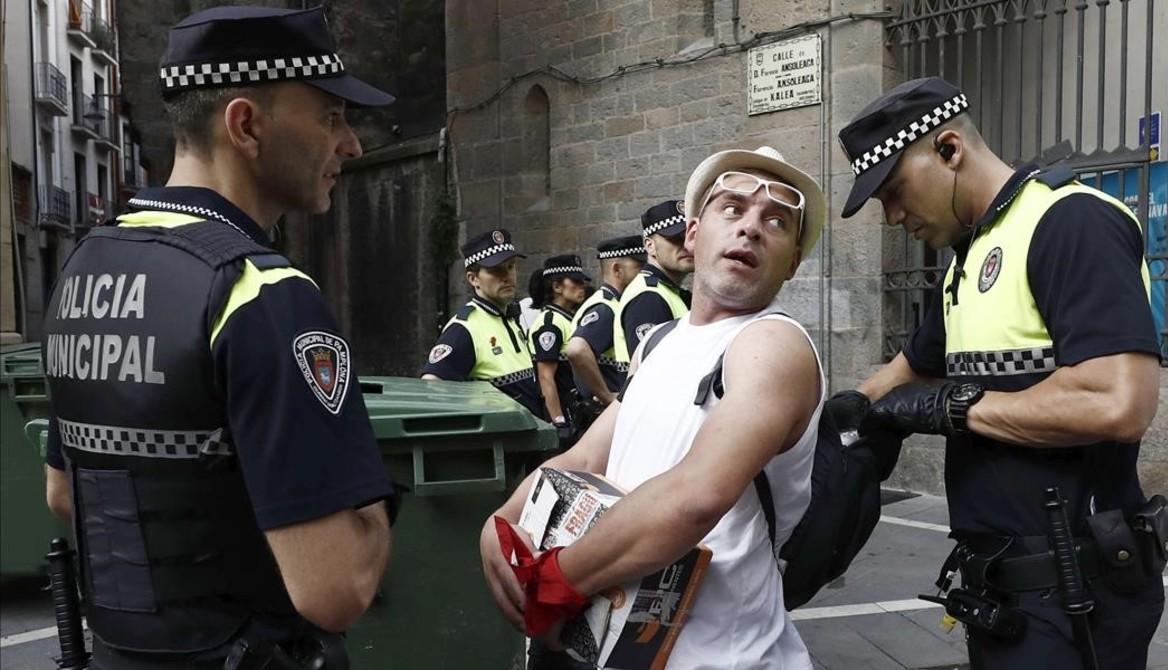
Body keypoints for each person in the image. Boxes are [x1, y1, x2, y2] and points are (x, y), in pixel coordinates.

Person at [40, 6, 397, 668]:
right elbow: (337, 587)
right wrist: (371, 510)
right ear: (246, 125)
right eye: (330, 117)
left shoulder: (83, 268)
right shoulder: (262, 296)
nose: (350, 144)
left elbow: (65, 494)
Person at [834, 77, 1165, 669]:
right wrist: (845, 413)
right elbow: (910, 368)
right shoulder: (964, 260)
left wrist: (952, 407)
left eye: (893, 190)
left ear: (949, 149)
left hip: (1077, 595)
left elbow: (1118, 403)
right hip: (1001, 595)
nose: (891, 217)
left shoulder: (1069, 223)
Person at [480, 146, 828, 669]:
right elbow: (584, 459)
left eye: (776, 221)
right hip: (613, 642)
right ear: (693, 235)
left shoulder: (772, 343)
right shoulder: (661, 341)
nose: (751, 228)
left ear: (792, 263)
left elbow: (695, 496)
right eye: (732, 209)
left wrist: (554, 583)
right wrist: (503, 522)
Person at [420, 229, 545, 419]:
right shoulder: (464, 328)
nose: (508, 276)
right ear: (473, 279)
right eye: (496, 270)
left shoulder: (509, 317)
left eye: (511, 266)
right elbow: (431, 388)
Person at [565, 235, 646, 407]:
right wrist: (607, 396)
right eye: (640, 266)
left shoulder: (613, 302)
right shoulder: (606, 308)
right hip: (602, 411)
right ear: (617, 270)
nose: (645, 272)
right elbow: (577, 350)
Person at [612, 200, 695, 362]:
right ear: (650, 246)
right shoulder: (648, 298)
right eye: (676, 238)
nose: (687, 246)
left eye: (691, 237)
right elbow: (655, 373)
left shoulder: (665, 291)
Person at [526, 254, 592, 444]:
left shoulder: (565, 319)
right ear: (557, 287)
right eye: (576, 282)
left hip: (575, 408)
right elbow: (546, 376)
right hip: (562, 411)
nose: (582, 287)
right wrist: (559, 422)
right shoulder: (550, 324)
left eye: (583, 282)